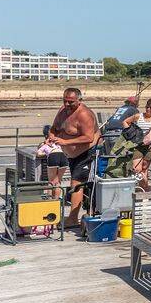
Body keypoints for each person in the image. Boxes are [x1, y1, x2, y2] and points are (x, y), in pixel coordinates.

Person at [48, 87, 101, 229]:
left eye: (70, 102)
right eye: (65, 101)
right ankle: (81, 213)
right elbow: (54, 128)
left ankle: (72, 218)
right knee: (77, 184)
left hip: (87, 153)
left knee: (76, 184)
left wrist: (65, 142)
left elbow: (89, 137)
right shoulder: (62, 111)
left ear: (79, 100)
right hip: (71, 156)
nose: (67, 105)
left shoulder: (85, 114)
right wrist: (51, 136)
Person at [125, 98, 151, 190]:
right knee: (136, 169)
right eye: (147, 107)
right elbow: (125, 122)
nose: (148, 109)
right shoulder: (138, 116)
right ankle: (144, 186)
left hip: (150, 146)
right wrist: (130, 133)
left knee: (144, 167)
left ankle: (143, 188)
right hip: (138, 146)